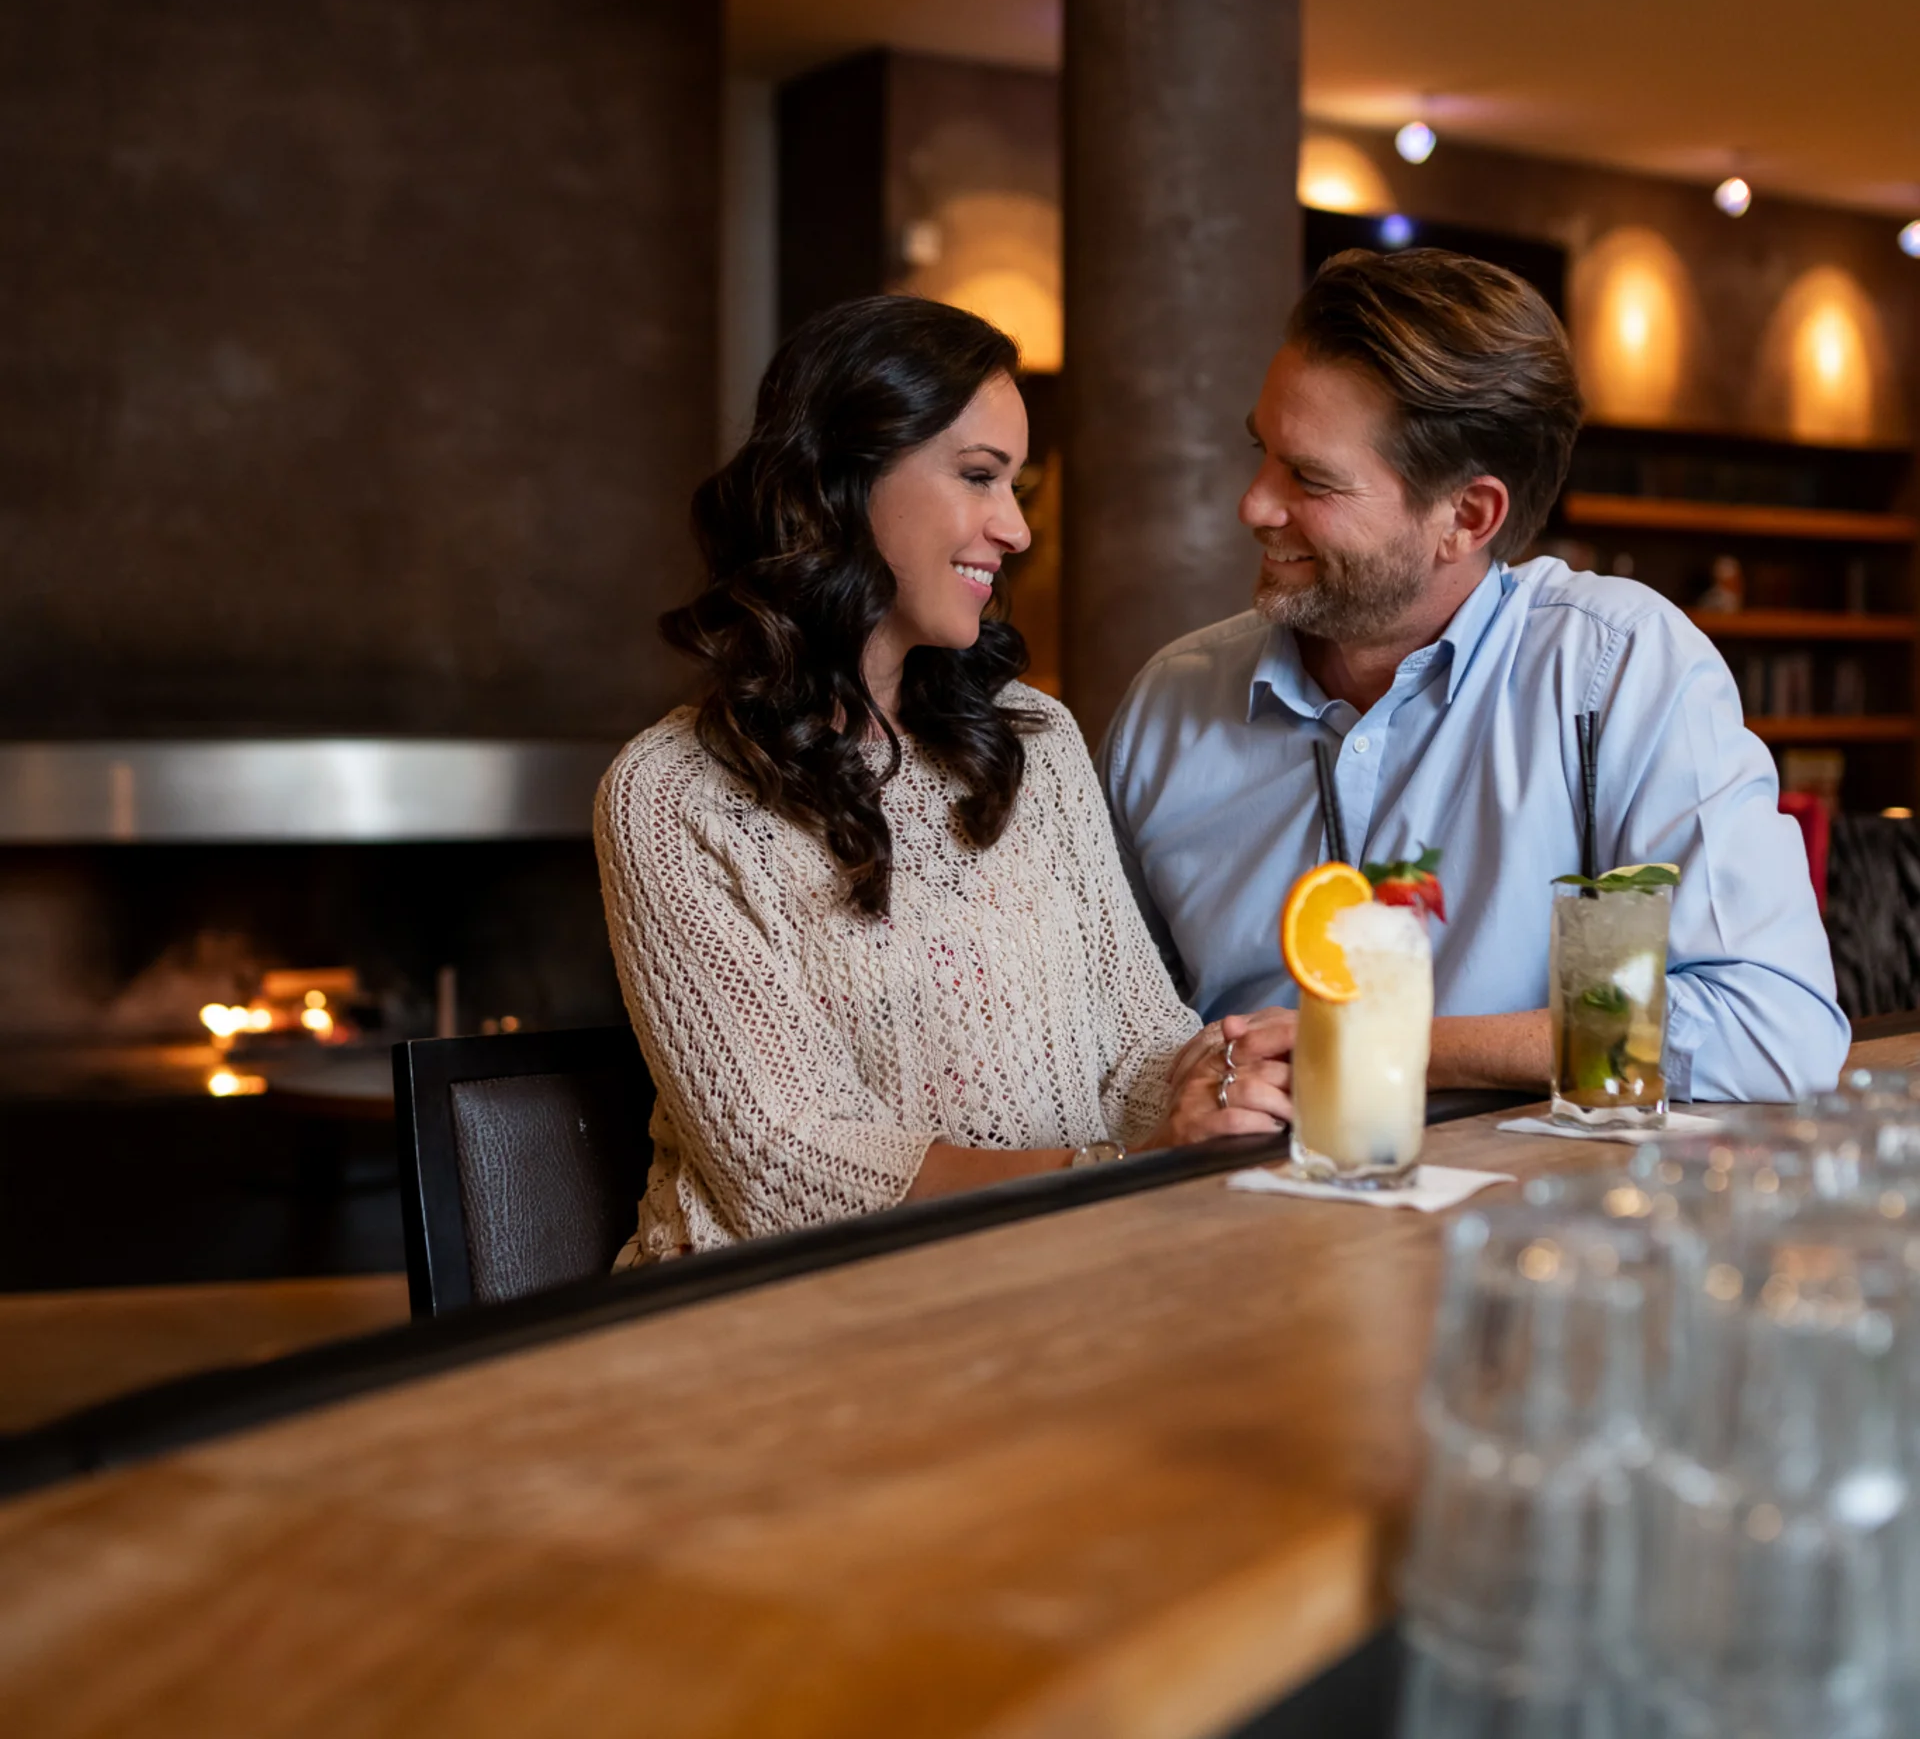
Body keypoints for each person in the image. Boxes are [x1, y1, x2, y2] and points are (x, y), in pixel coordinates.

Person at [595, 295, 1292, 1258]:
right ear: (840, 483)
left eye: (1015, 484)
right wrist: (1106, 1171)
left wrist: (1211, 1081)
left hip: (1042, 1274)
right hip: (772, 1311)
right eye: (978, 477)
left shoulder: (1034, 741)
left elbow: (1136, 1043)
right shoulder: (671, 794)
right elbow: (786, 1169)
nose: (1017, 530)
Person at [1100, 247, 1849, 1103]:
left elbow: (1770, 1029)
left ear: (1467, 515)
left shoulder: (1618, 669)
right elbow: (1101, 1053)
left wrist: (1384, 1045)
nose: (1254, 504)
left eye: (1309, 479)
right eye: (1261, 451)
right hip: (1224, 1186)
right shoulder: (1168, 705)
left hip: (1526, 1191)